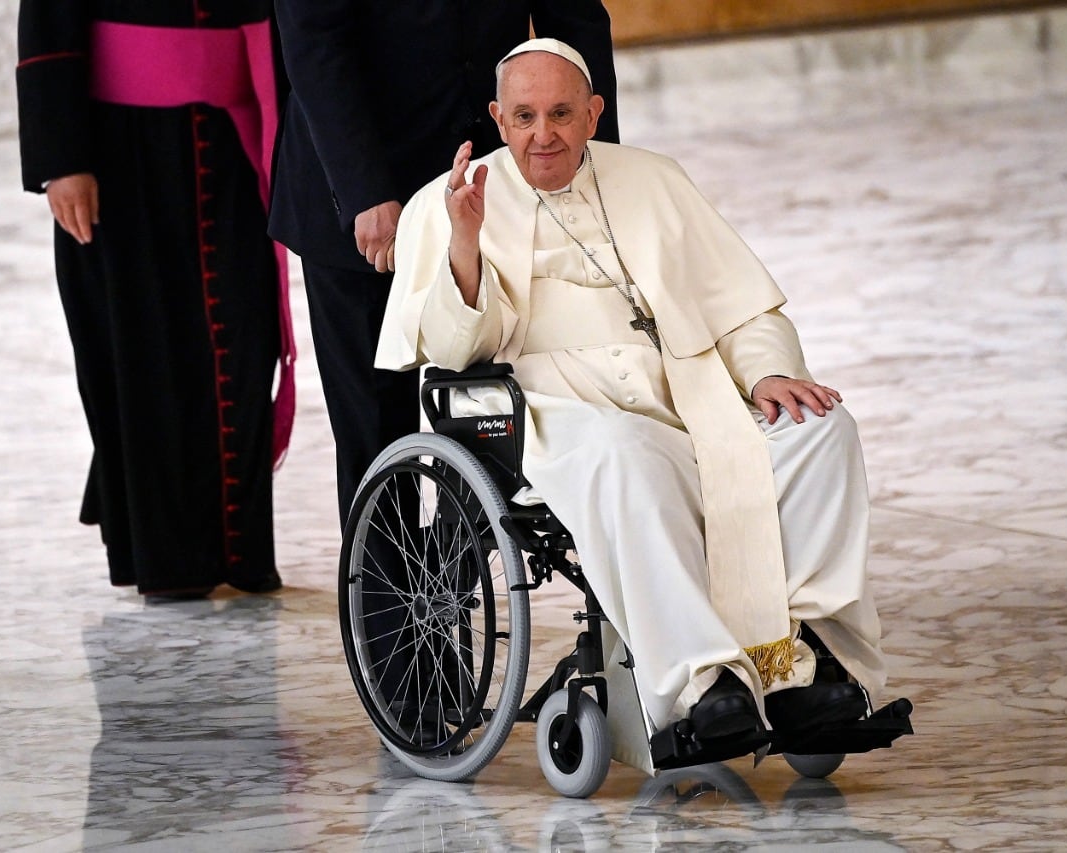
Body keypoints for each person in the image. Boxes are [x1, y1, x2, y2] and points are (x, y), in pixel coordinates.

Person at [376, 39, 888, 744]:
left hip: (687, 392)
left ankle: (806, 662)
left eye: (561, 113)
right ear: (498, 118)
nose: (543, 134)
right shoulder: (454, 201)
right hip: (558, 409)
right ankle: (704, 682)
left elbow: (739, 306)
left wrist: (766, 372)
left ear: (594, 113)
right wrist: (464, 240)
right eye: (523, 116)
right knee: (626, 456)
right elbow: (455, 350)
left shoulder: (654, 179)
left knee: (820, 429)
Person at [268, 1, 619, 529]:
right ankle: (387, 607)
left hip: (491, 180)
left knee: (484, 402)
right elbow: (316, 42)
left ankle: (459, 579)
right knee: (373, 418)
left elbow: (573, 17)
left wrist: (596, 161)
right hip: (362, 184)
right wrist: (365, 189)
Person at [16, 1, 295, 600]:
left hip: (234, 134)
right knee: (143, 353)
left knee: (245, 342)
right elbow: (46, 18)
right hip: (120, 150)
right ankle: (170, 560)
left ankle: (241, 547)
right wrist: (61, 160)